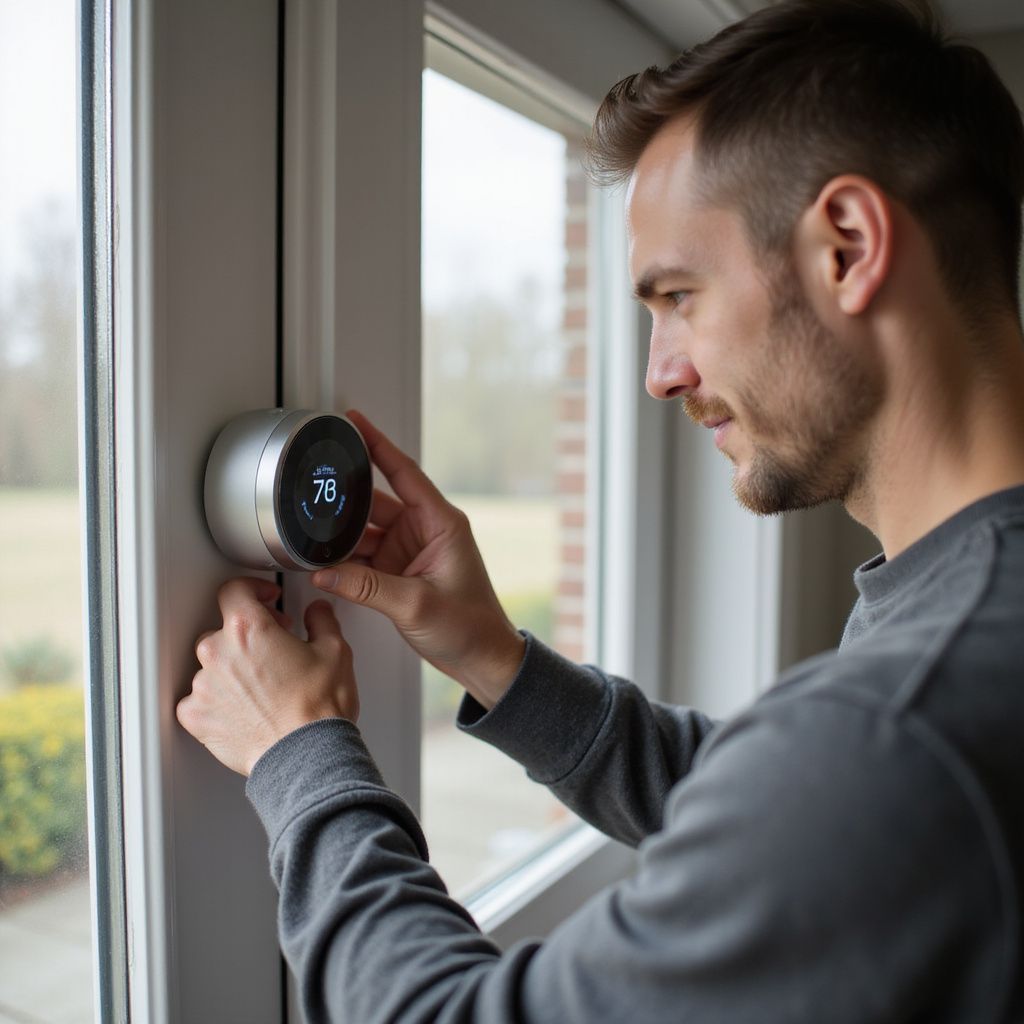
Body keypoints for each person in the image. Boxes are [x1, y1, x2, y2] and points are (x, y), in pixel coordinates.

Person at [177, 0, 1024, 1019]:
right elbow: (777, 823)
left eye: (677, 297)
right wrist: (496, 656)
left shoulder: (905, 724)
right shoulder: (960, 641)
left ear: (844, 246)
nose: (661, 374)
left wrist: (298, 754)